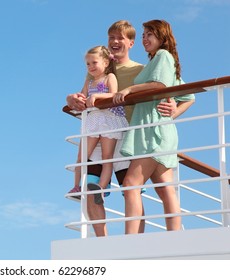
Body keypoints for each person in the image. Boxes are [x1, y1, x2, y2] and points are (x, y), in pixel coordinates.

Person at [66, 20, 194, 237]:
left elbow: (176, 89)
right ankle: (103, 241)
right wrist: (71, 98)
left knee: (130, 189)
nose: (115, 42)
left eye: (120, 38)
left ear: (131, 43)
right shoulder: (96, 68)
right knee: (90, 188)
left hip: (129, 134)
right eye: (111, 38)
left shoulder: (144, 68)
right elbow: (83, 94)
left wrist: (172, 106)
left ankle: (135, 239)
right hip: (98, 132)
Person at [113, 19, 195, 234]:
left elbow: (161, 86)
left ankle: (131, 239)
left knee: (131, 183)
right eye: (143, 35)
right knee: (165, 188)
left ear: (162, 37)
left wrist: (130, 89)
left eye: (149, 34)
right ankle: (175, 234)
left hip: (152, 131)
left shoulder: (163, 56)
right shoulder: (159, 61)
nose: (144, 39)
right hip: (156, 129)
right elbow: (188, 96)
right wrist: (173, 113)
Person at [68, 46, 128, 208]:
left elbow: (113, 94)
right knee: (82, 156)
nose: (91, 67)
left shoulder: (110, 77)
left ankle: (101, 188)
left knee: (107, 157)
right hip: (93, 120)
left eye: (94, 62)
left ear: (106, 61)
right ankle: (76, 186)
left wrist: (96, 96)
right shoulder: (89, 81)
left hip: (109, 119)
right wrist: (79, 97)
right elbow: (82, 95)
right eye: (87, 64)